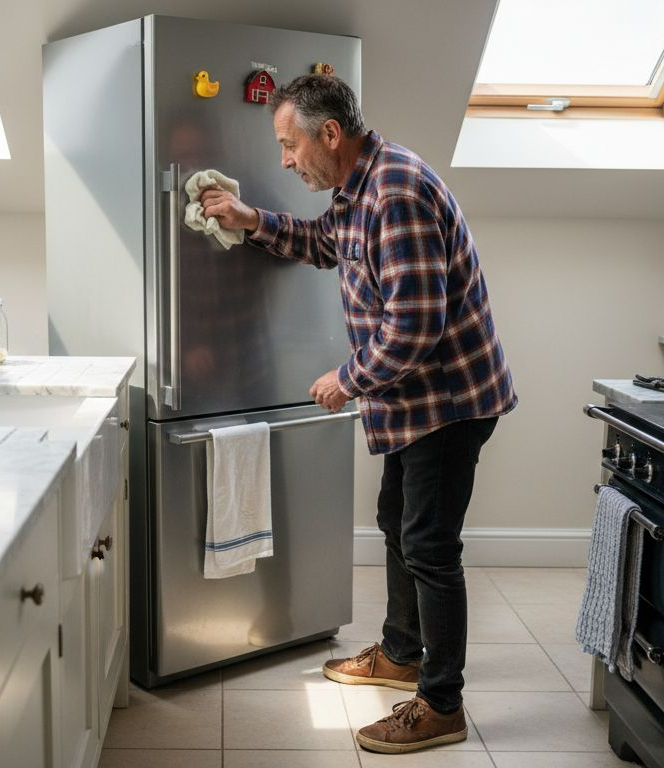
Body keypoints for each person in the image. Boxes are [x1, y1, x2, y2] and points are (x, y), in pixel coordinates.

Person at [200, 74, 517, 754]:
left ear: (330, 135)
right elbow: (323, 242)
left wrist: (348, 380)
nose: (286, 159)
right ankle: (403, 653)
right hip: (415, 397)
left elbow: (415, 325)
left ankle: (441, 704)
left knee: (430, 546)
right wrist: (252, 219)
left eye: (290, 145)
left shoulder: (396, 191)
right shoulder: (358, 187)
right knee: (395, 522)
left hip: (448, 400)